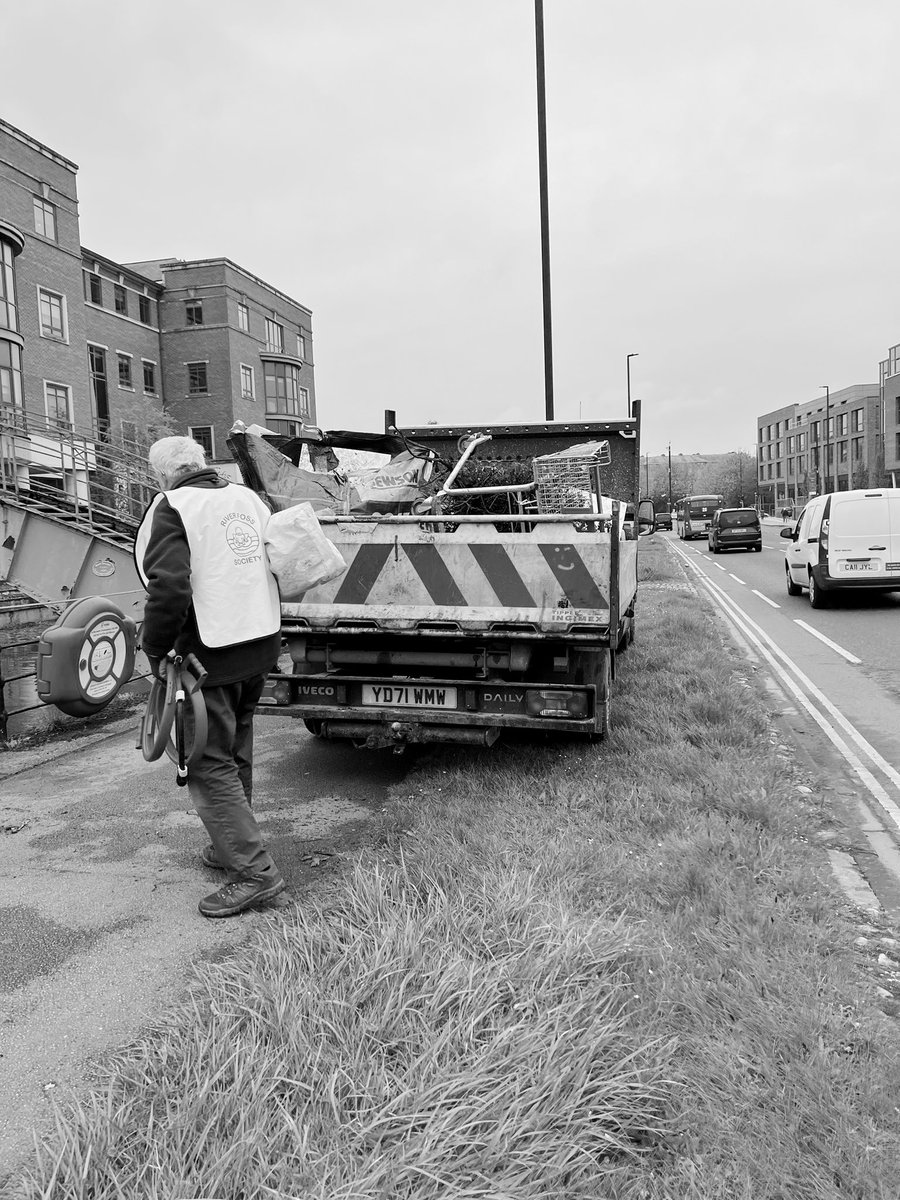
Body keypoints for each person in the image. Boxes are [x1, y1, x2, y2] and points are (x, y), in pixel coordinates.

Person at [135, 436, 286, 918]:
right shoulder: (247, 498)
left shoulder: (173, 508)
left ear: (162, 476)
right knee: (235, 747)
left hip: (209, 658)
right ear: (201, 463)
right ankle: (233, 847)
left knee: (206, 762)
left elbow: (170, 588)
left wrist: (156, 649)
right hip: (258, 644)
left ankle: (253, 873)